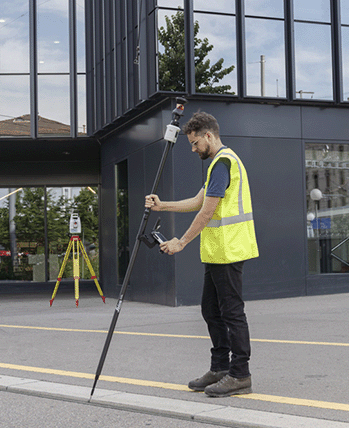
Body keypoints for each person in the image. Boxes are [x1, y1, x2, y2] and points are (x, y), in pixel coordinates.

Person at [145, 111, 259, 397]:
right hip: (217, 251)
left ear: (208, 135)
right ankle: (220, 367)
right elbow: (198, 201)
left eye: (195, 143)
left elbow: (207, 211)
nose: (194, 149)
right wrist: (163, 206)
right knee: (211, 310)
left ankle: (240, 374)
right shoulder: (218, 165)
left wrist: (181, 242)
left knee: (231, 312)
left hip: (229, 249)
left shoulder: (222, 163)